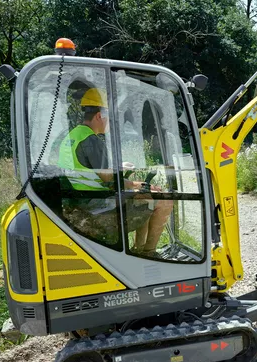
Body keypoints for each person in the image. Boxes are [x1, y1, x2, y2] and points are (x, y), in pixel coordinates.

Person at [58, 88, 173, 255]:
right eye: (108, 118)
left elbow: (90, 168)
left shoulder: (73, 136)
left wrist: (119, 169)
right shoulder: (92, 140)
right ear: (98, 116)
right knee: (164, 201)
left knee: (144, 196)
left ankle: (138, 250)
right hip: (97, 204)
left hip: (81, 199)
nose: (110, 123)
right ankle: (149, 253)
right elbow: (108, 180)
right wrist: (138, 184)